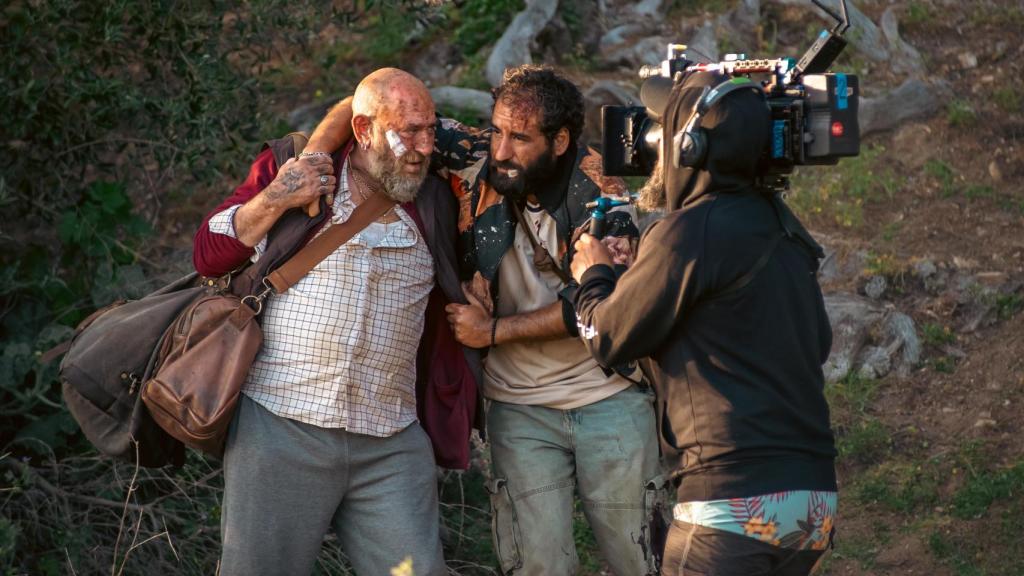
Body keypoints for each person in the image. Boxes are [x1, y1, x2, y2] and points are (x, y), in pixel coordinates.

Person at [306, 65, 664, 575]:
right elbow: (358, 105)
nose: (500, 150)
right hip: (517, 407)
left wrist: (492, 332)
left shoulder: (602, 192)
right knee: (538, 563)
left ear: (560, 141)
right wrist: (313, 158)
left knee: (639, 558)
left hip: (607, 398)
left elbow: (598, 304)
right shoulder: (476, 153)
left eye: (519, 138)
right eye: (497, 130)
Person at [192, 68, 480, 576]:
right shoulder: (296, 168)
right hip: (280, 428)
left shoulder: (437, 196)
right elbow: (209, 252)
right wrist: (277, 196)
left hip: (391, 439)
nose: (422, 147)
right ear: (364, 130)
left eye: (430, 130)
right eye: (408, 131)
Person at [570, 70, 839, 575]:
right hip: (812, 503)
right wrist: (640, 280)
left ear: (688, 147)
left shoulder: (688, 233)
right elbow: (814, 342)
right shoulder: (786, 230)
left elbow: (605, 336)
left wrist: (595, 276)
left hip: (729, 502)